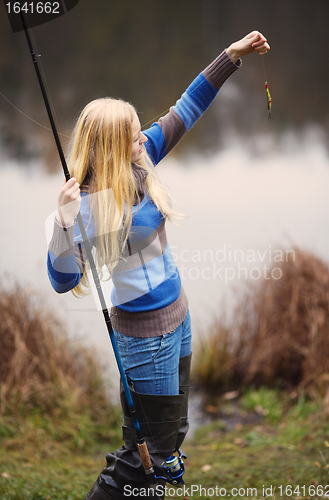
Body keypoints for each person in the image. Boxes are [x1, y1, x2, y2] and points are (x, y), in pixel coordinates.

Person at [47, 31, 270, 500]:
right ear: (110, 145)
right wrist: (63, 226)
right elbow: (63, 280)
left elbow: (187, 108)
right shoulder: (83, 207)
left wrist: (230, 57)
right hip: (144, 337)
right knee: (146, 457)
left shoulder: (140, 158)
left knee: (168, 439)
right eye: (130, 133)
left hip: (178, 316)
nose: (140, 135)